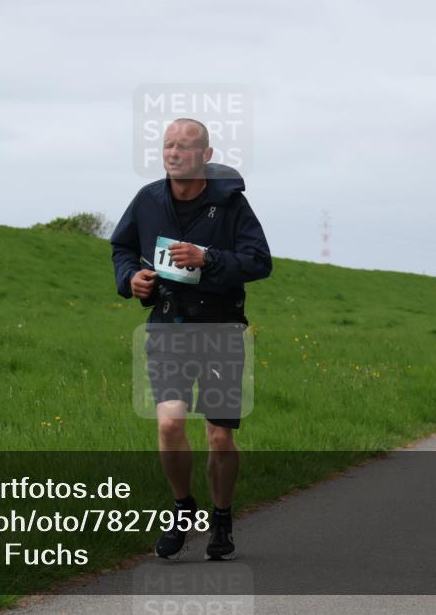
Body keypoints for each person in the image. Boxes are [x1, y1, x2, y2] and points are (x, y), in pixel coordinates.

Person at [111, 118, 272, 560]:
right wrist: (131, 280)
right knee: (169, 423)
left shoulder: (231, 203)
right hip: (167, 327)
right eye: (167, 145)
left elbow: (260, 262)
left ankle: (221, 516)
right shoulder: (147, 200)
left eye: (184, 146)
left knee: (219, 437)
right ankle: (183, 509)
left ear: (206, 154)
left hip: (220, 329)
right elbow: (121, 248)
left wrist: (209, 258)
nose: (173, 152)